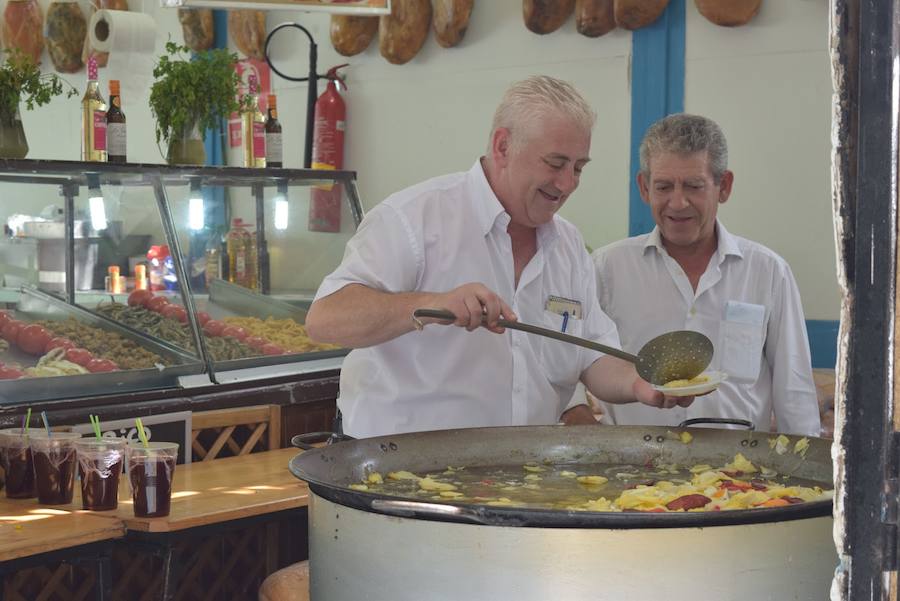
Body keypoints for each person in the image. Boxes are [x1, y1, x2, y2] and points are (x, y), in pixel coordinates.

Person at [304, 75, 691, 439]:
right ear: (503, 146)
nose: (568, 184)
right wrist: (430, 304)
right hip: (398, 475)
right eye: (555, 164)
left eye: (578, 168)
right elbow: (325, 319)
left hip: (516, 477)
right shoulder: (414, 218)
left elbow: (593, 356)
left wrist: (641, 384)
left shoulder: (568, 245)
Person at [590, 113, 821, 436]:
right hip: (633, 469)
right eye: (663, 186)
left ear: (723, 186)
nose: (678, 202)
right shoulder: (607, 268)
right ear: (644, 188)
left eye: (694, 186)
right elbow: (573, 358)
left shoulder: (767, 271)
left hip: (739, 473)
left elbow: (793, 389)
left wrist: (803, 470)